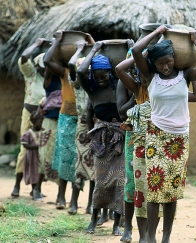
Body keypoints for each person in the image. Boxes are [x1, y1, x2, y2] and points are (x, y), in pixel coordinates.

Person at [131, 25, 196, 243]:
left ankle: (166, 237)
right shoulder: (150, 76)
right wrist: (157, 33)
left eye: (168, 61)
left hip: (179, 139)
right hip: (156, 136)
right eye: (160, 63)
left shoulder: (185, 75)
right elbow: (137, 51)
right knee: (154, 187)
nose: (165, 66)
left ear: (174, 59)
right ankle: (150, 236)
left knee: (172, 191)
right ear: (154, 64)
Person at [116, 53, 196, 243]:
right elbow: (121, 71)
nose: (138, 74)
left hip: (165, 143)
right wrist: (137, 56)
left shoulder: (170, 88)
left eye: (141, 70)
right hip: (142, 147)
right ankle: (143, 236)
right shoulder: (140, 88)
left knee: (164, 191)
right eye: (137, 71)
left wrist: (187, 73)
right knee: (141, 192)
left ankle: (159, 236)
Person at [77, 41, 125, 235]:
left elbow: (133, 69)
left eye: (103, 75)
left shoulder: (120, 86)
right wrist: (95, 49)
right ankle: (94, 218)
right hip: (101, 139)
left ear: (110, 72)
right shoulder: (93, 90)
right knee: (101, 181)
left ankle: (116, 224)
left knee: (120, 181)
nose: (100, 79)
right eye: (96, 76)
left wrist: (131, 49)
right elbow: (80, 71)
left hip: (121, 136)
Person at [44, 30, 79, 209]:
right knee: (65, 158)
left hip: (83, 120)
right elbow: (47, 61)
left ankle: (73, 200)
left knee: (79, 161)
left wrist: (89, 41)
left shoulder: (88, 73)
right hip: (66, 117)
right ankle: (61, 197)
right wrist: (57, 40)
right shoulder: (65, 73)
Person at [11, 39, 46, 198]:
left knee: (41, 153)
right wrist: (37, 45)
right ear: (38, 67)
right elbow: (24, 57)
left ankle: (36, 188)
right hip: (29, 117)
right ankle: (17, 185)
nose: (46, 70)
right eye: (44, 68)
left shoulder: (51, 79)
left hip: (43, 120)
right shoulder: (31, 73)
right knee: (24, 150)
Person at [67, 44, 94, 215]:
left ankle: (91, 204)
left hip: (97, 127)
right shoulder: (77, 83)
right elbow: (71, 64)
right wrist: (80, 50)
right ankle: (73, 202)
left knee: (95, 169)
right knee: (79, 166)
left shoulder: (96, 82)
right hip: (83, 127)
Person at [116, 44, 137, 243]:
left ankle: (149, 230)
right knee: (131, 183)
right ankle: (128, 227)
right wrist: (136, 95)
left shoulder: (154, 80)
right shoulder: (124, 83)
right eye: (133, 65)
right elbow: (122, 112)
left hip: (156, 135)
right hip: (134, 135)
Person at [34, 68, 62, 201]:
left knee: (62, 158)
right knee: (44, 155)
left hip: (64, 122)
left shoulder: (69, 78)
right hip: (49, 123)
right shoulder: (50, 81)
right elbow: (48, 64)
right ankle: (37, 189)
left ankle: (59, 195)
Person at [21, 111, 43, 193]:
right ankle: (34, 190)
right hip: (31, 157)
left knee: (39, 173)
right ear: (34, 122)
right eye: (41, 122)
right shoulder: (28, 133)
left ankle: (37, 190)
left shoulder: (42, 132)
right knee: (33, 173)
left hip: (39, 157)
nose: (42, 124)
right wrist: (36, 147)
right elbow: (25, 145)